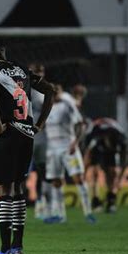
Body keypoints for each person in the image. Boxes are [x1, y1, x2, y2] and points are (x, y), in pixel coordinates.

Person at [0, 41, 55, 254]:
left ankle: (4, 249)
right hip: (26, 134)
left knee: (4, 189)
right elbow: (50, 91)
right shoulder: (22, 70)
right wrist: (39, 125)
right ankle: (18, 247)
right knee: (19, 188)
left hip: (7, 134)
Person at [44, 84, 96, 224]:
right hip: (52, 149)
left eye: (57, 92)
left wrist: (75, 143)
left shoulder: (67, 106)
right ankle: (59, 215)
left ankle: (88, 213)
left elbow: (80, 124)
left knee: (78, 178)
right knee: (56, 181)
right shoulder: (46, 107)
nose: (55, 95)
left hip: (68, 147)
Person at [84, 117, 127, 213]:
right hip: (95, 138)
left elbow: (124, 162)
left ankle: (111, 200)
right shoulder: (94, 137)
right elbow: (87, 157)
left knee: (112, 172)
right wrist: (84, 173)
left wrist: (119, 181)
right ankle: (95, 200)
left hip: (109, 135)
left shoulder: (121, 140)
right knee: (94, 171)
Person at [28, 63, 52, 220]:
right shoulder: (24, 88)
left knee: (43, 172)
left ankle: (42, 204)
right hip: (27, 136)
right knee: (22, 174)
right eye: (37, 71)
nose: (40, 73)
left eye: (42, 71)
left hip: (43, 138)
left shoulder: (47, 90)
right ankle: (20, 205)